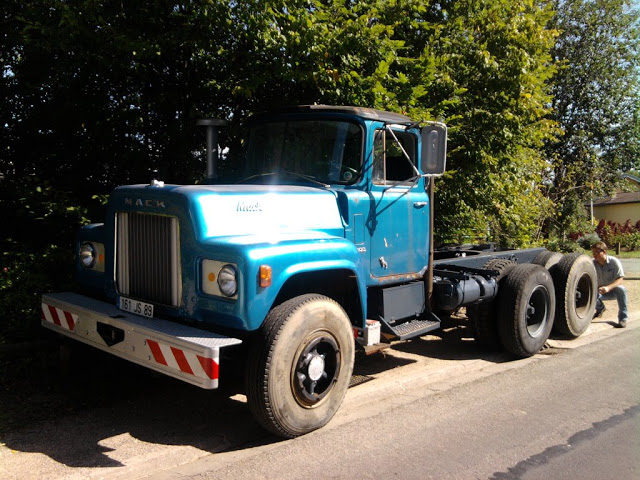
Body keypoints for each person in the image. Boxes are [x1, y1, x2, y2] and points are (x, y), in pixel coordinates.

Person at [591, 241, 628, 328]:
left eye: (596, 252)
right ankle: (600, 308)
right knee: (590, 295)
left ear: (604, 252)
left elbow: (620, 279)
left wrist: (608, 288)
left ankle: (623, 319)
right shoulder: (592, 264)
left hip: (612, 291)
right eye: (593, 252)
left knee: (622, 289)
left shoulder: (614, 262)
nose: (594, 254)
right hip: (599, 292)